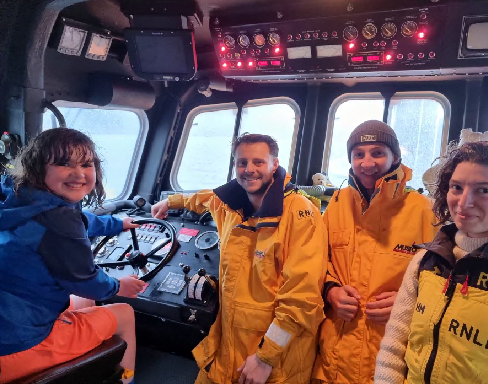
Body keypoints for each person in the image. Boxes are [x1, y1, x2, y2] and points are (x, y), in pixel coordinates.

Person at [152, 133, 327, 384]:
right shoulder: (229, 205)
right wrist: (171, 201)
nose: (249, 170)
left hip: (276, 358)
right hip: (226, 343)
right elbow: (203, 199)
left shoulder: (301, 213)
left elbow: (302, 297)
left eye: (258, 162)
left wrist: (265, 359)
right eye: (242, 163)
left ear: (274, 165)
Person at [374, 139, 488, 384]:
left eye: (484, 190)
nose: (464, 202)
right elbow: (394, 348)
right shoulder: (427, 260)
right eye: (456, 187)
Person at [0, 128, 146, 384]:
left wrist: (117, 224)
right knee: (124, 313)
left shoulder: (21, 200)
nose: (79, 173)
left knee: (81, 301)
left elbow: (80, 219)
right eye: (64, 164)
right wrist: (119, 286)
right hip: (15, 347)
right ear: (38, 170)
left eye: (86, 164)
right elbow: (86, 281)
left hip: (12, 317)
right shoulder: (59, 222)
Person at [312, 120, 439, 384]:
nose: (367, 163)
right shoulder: (336, 204)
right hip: (332, 359)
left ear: (395, 157)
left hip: (390, 362)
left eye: (377, 153)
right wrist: (331, 291)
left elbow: (444, 282)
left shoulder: (424, 211)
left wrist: (410, 304)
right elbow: (316, 263)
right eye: (359, 154)